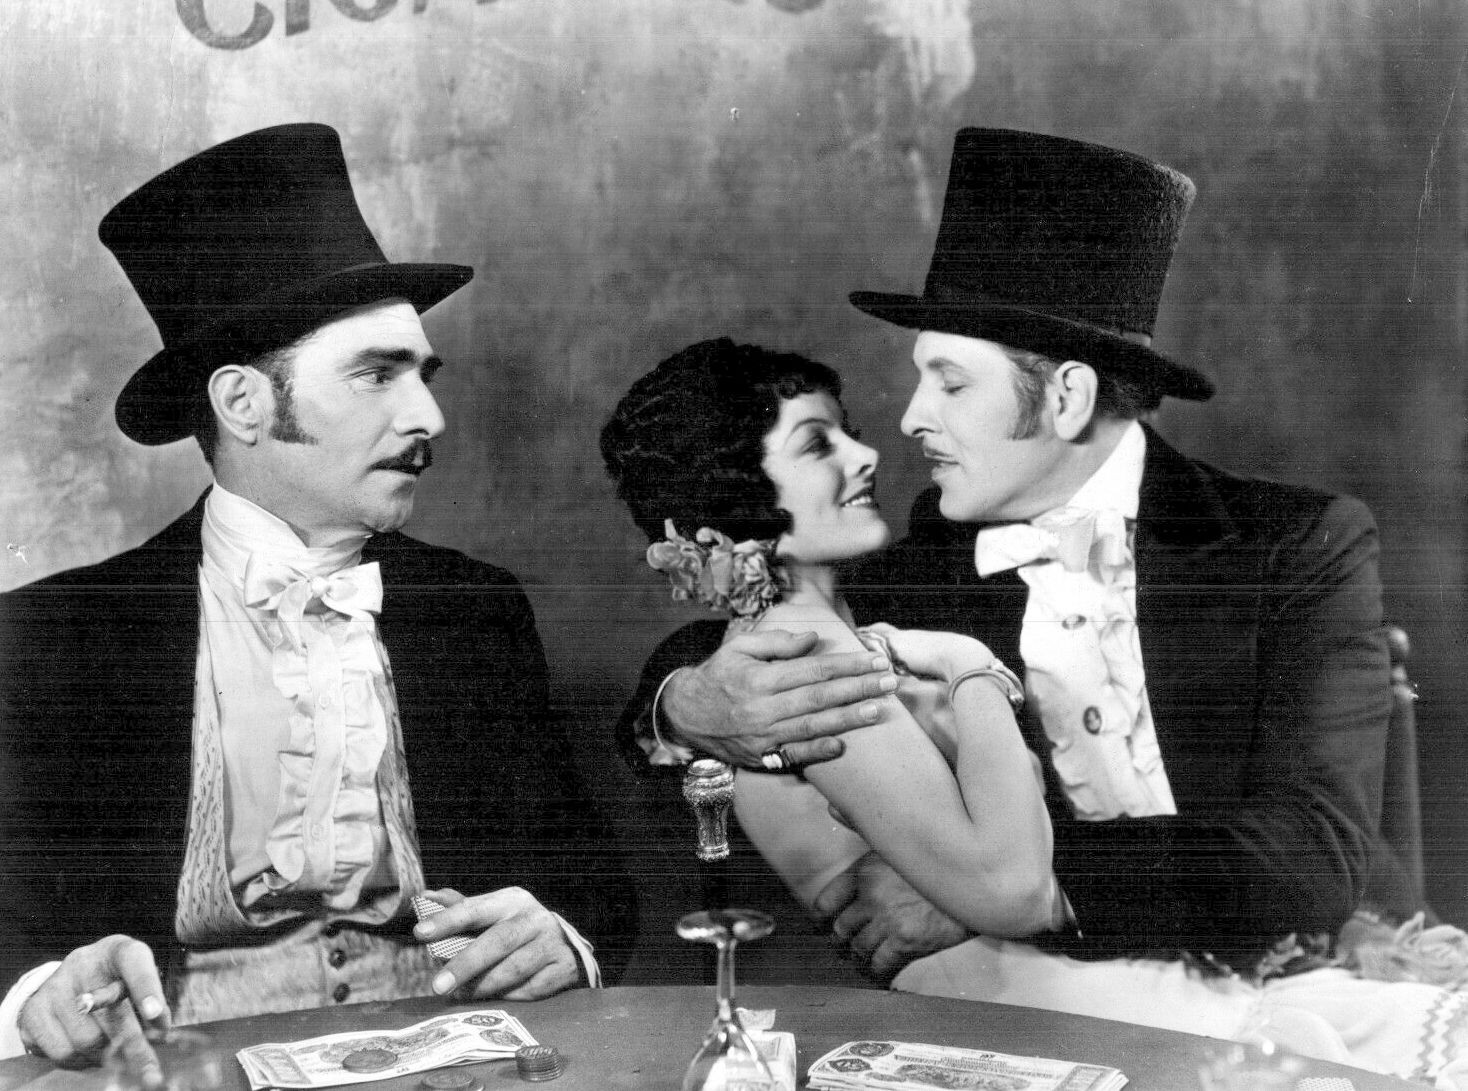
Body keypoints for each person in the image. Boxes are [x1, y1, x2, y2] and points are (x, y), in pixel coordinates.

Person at [612, 130, 1468, 1081]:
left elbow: (1308, 860)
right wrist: (684, 701)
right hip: (1079, 1014)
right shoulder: (924, 566)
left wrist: (985, 896)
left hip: (1325, 966)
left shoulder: (1294, 543)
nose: (910, 419)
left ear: (1066, 396)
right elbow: (751, 626)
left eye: (950, 381)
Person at [0, 124, 635, 1077]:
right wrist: (38, 990)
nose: (428, 417)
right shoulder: (52, 634)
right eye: (377, 374)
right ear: (243, 403)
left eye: (423, 374)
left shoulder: (474, 610)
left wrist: (560, 936)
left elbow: (594, 889)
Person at [601, 337, 1058, 943]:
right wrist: (675, 705)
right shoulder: (801, 644)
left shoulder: (864, 608)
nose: (868, 454)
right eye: (818, 443)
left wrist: (944, 891)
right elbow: (1014, 895)